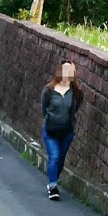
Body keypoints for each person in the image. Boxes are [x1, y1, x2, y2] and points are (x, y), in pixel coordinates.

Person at [40, 60, 83, 200]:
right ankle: (53, 186)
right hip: (50, 131)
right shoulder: (49, 90)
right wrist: (51, 119)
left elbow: (75, 109)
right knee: (54, 156)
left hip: (67, 132)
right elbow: (44, 108)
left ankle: (54, 179)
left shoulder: (76, 92)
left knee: (61, 158)